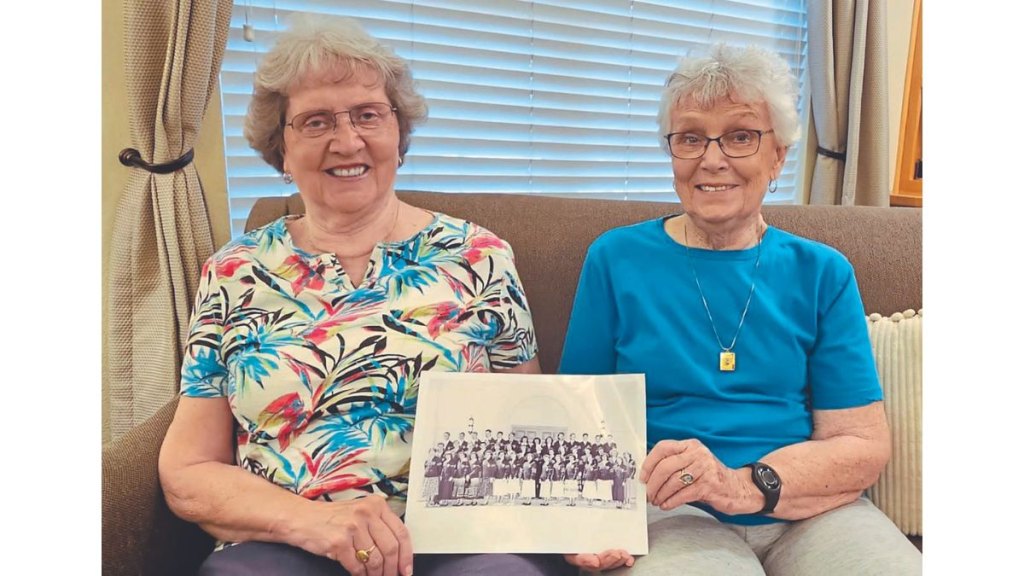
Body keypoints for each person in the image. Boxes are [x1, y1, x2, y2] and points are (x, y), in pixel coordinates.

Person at [157, 14, 577, 576]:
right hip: (286, 538)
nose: (347, 140)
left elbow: (531, 422)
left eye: (368, 115)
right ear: (280, 150)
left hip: (463, 537)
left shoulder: (479, 257)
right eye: (316, 121)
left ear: (398, 135)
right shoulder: (233, 272)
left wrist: (583, 521)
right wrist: (312, 524)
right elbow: (187, 469)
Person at [559, 44, 922, 574]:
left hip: (810, 509)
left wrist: (744, 486)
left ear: (777, 155)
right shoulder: (616, 259)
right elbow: (577, 419)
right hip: (672, 509)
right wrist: (580, 523)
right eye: (690, 138)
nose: (712, 158)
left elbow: (860, 443)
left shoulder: (822, 272)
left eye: (740, 136)